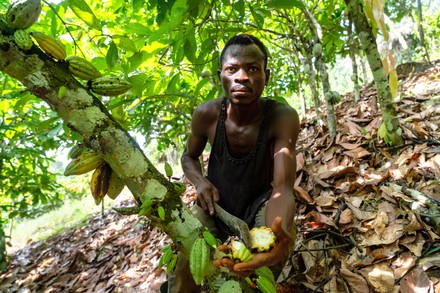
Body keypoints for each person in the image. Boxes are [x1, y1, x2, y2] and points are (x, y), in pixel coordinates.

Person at [165, 34, 300, 293]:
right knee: (187, 254)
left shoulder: (282, 117)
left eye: (252, 69)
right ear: (220, 77)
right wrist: (200, 181)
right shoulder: (206, 114)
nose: (242, 77)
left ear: (266, 76)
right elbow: (188, 157)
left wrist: (277, 233)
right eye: (232, 69)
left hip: (258, 203)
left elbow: (283, 188)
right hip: (214, 205)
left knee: (273, 249)